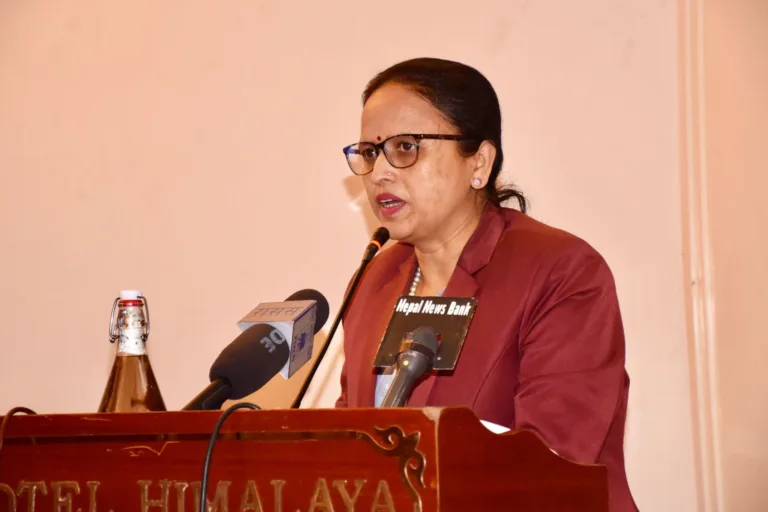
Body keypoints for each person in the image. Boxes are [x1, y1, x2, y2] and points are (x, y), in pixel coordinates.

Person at [334, 57, 638, 511]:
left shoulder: (560, 271)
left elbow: (551, 461)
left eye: (406, 147)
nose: (379, 172)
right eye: (370, 152)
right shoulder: (374, 283)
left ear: (479, 161)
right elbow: (348, 447)